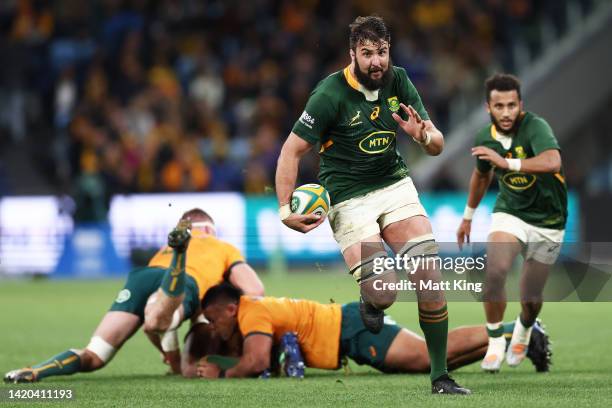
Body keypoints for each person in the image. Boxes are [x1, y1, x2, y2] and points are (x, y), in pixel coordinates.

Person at [274, 15, 467, 394]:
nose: (376, 61)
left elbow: (437, 143)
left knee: (428, 275)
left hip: (394, 185)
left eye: (382, 52)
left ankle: (440, 377)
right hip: (347, 199)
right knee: (385, 291)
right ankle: (372, 301)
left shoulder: (399, 79)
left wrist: (423, 135)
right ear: (352, 55)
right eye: (367, 54)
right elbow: (289, 152)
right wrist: (284, 210)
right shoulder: (328, 95)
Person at [4, 209, 264, 383]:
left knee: (95, 355)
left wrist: (170, 356)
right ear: (209, 230)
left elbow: (153, 330)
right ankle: (179, 260)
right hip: (186, 281)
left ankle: (35, 371)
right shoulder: (222, 246)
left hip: (143, 276)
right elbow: (255, 289)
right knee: (166, 322)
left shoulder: (160, 250)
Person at [195, 283, 551, 380]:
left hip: (350, 330)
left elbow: (256, 361)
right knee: (430, 362)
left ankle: (519, 328)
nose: (214, 327)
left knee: (429, 356)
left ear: (230, 308)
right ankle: (511, 339)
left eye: (214, 319)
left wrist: (222, 371)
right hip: (348, 334)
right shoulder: (254, 311)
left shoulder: (250, 311)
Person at [456, 74, 567, 372]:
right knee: (495, 271)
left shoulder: (535, 127)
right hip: (511, 212)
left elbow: (552, 161)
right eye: (499, 106)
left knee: (530, 299)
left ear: (521, 105)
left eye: (512, 105)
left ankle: (525, 329)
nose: (506, 112)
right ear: (487, 107)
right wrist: (467, 216)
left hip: (548, 220)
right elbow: (482, 175)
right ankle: (495, 340)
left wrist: (509, 163)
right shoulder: (485, 138)